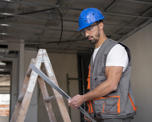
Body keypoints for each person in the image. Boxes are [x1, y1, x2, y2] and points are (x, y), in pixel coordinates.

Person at [68, 8, 136, 122]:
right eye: (83, 31)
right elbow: (96, 86)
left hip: (115, 116)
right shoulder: (96, 53)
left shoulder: (115, 49)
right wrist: (91, 112)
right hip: (101, 116)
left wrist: (83, 98)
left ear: (101, 25)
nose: (86, 34)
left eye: (89, 28)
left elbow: (111, 85)